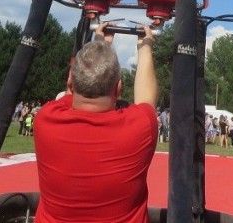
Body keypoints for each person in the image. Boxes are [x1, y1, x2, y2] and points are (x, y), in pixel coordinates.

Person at [34, 22, 159, 223]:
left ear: (70, 82)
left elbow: (71, 92)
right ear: (118, 87)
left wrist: (99, 45)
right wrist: (145, 47)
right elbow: (146, 99)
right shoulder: (140, 127)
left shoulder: (45, 118)